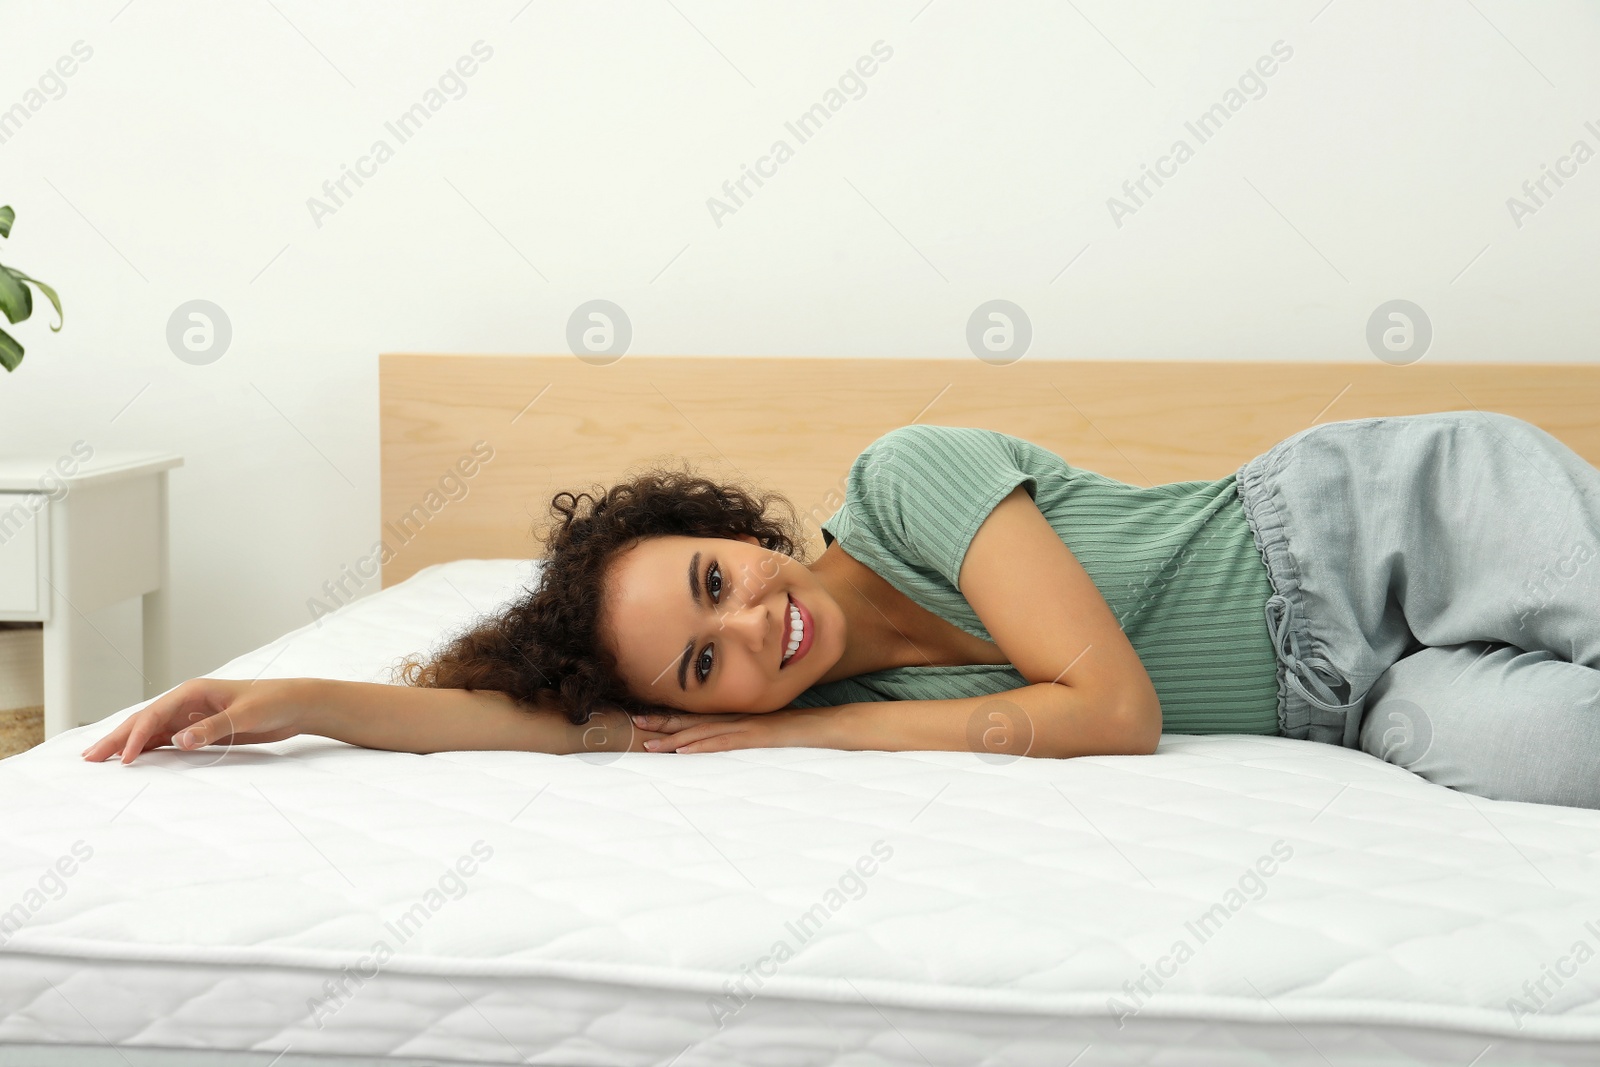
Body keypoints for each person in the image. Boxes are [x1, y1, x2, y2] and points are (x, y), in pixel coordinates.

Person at [83, 413, 1600, 809]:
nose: (749, 628)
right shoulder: (819, 718)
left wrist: (809, 742)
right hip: (1360, 696)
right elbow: (539, 727)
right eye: (703, 664)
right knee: (1561, 758)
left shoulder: (917, 478)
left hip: (1372, 524)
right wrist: (287, 699)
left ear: (735, 531)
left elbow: (1115, 717)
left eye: (715, 580)